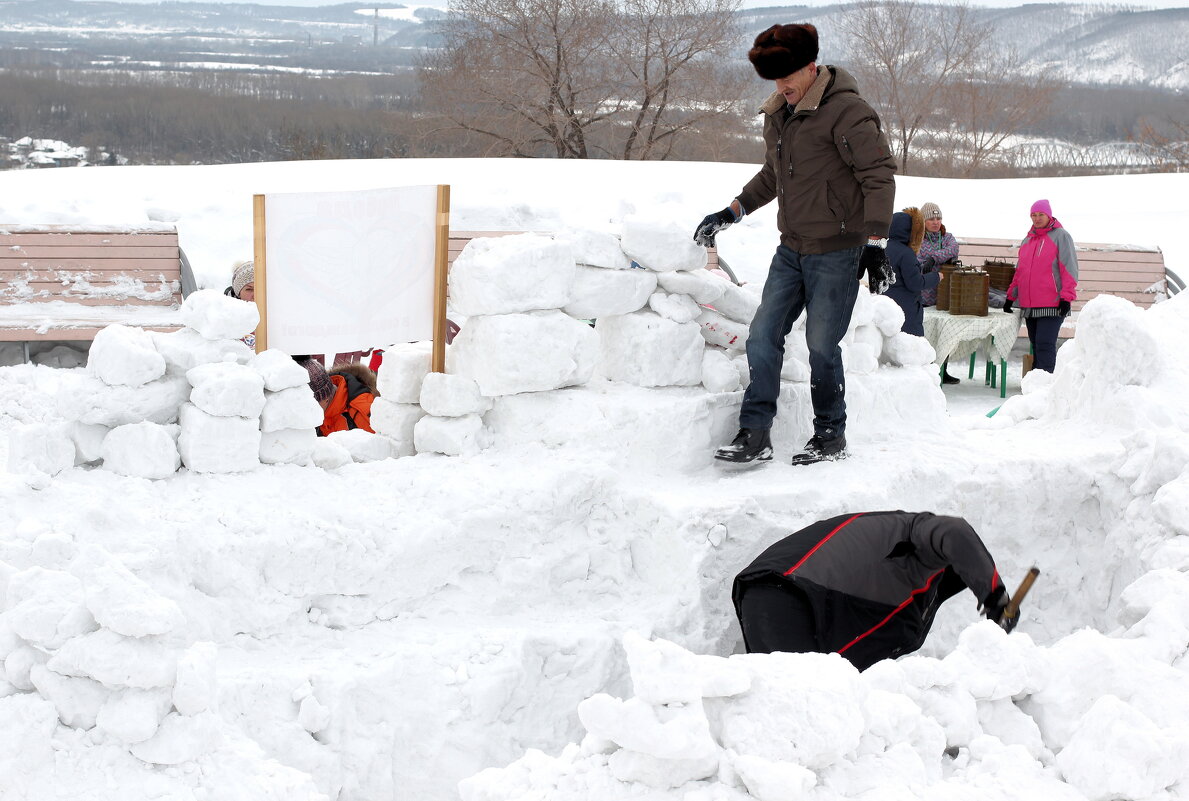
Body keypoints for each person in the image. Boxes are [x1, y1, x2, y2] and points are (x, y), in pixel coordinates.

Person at [694, 23, 896, 466]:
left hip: (839, 249)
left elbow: (878, 175)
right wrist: (732, 211)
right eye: (774, 78)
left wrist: (877, 243)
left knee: (823, 347)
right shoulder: (779, 114)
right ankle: (756, 431)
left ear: (811, 67)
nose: (781, 86)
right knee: (763, 335)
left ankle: (829, 434)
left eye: (788, 76)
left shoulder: (848, 112)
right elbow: (773, 174)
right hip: (792, 248)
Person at [733, 511, 1016, 671]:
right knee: (796, 705)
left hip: (775, 591)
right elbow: (956, 532)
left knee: (788, 706)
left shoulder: (898, 590)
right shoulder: (914, 534)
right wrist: (994, 596)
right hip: (791, 590)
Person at [1003, 199, 1078, 373]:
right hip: (1030, 304)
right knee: (1036, 345)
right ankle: (1036, 385)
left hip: (1052, 302)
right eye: (1033, 215)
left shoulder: (1061, 236)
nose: (1037, 218)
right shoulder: (1028, 240)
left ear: (1049, 215)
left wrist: (1066, 297)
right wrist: (1011, 296)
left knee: (1045, 344)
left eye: (1041, 215)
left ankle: (1045, 386)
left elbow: (1069, 268)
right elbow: (1020, 272)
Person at [917, 202, 961, 383]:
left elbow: (954, 248)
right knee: (926, 335)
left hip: (943, 295)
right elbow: (918, 259)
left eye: (938, 218)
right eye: (931, 219)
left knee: (943, 333)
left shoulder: (947, 237)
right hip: (923, 295)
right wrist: (939, 258)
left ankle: (943, 369)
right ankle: (925, 372)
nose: (935, 222)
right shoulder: (917, 239)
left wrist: (934, 258)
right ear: (923, 221)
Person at [883, 207, 936, 337]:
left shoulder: (882, 249)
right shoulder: (906, 253)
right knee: (910, 351)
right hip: (906, 313)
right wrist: (936, 277)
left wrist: (920, 268)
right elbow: (915, 283)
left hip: (886, 309)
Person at [300, 356, 379, 436]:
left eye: (311, 403)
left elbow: (383, 445)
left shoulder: (363, 411)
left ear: (325, 397)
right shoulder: (308, 415)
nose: (306, 410)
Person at [227, 259, 257, 350]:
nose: (255, 295)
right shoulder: (224, 319)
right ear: (238, 292)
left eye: (259, 288)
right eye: (249, 289)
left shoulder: (276, 318)